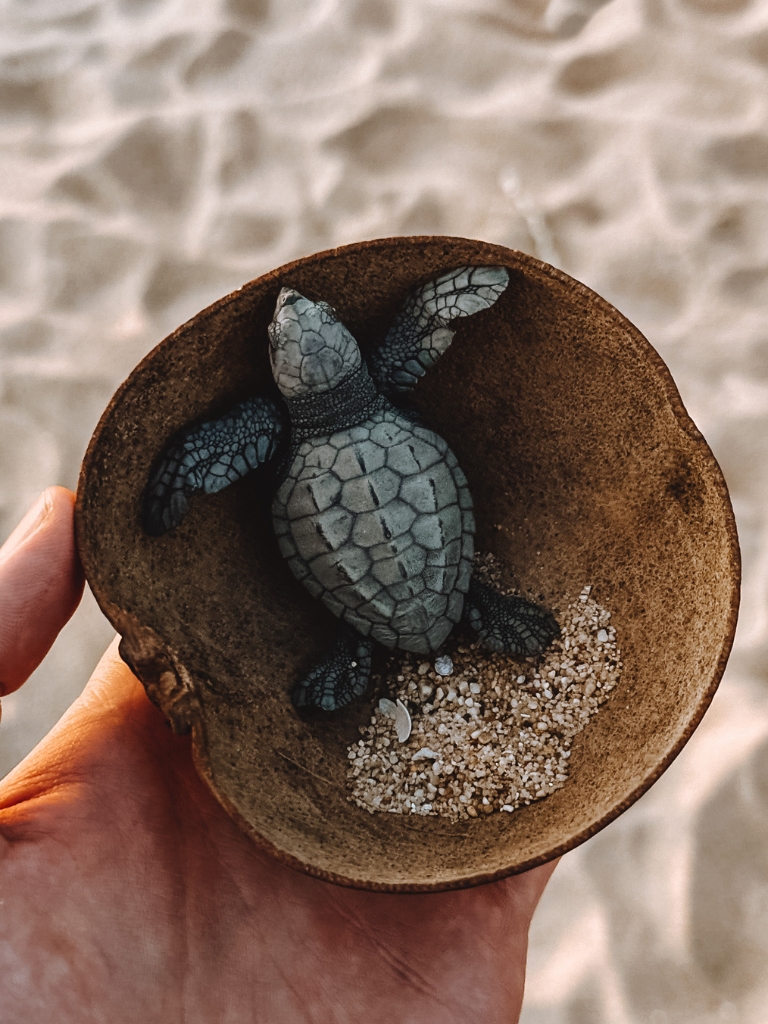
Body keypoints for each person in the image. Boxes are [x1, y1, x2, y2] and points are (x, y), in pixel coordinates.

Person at [0, 486, 556, 1023]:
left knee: (352, 603)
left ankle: (362, 645)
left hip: (368, 591)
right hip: (441, 567)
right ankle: (453, 610)